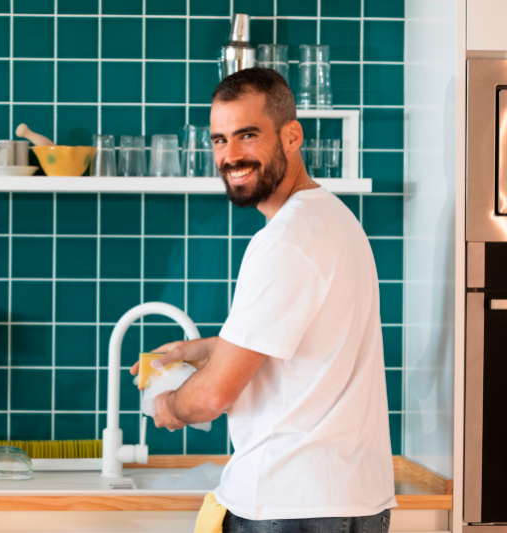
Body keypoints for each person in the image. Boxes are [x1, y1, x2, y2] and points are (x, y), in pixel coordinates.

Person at [130, 68, 396, 532]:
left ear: (291, 136)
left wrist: (168, 406)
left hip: (287, 504)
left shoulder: (284, 241)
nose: (230, 156)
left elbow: (214, 395)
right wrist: (198, 350)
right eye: (219, 140)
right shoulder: (334, 220)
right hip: (353, 501)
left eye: (247, 135)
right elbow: (300, 349)